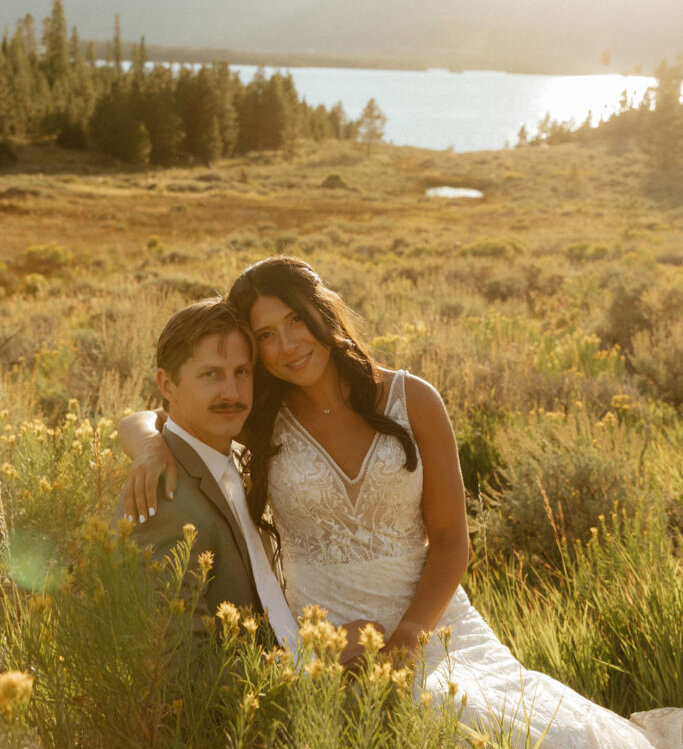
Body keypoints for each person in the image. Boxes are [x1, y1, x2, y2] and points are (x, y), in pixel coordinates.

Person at [120, 257, 679, 748]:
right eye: (265, 336)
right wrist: (146, 446)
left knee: (533, 730)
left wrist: (411, 635)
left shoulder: (413, 398)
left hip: (433, 621)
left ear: (324, 312)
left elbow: (452, 538)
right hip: (333, 629)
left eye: (295, 320)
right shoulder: (259, 416)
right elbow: (160, 415)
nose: (287, 345)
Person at [113, 298, 298, 649]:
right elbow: (178, 667)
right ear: (167, 386)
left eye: (241, 372)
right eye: (211, 374)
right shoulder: (162, 499)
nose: (231, 392)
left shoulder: (240, 458)